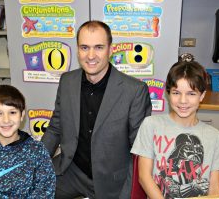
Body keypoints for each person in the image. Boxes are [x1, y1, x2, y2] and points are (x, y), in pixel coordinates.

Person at [41, 20, 152, 199]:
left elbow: (138, 151)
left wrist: (128, 194)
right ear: (77, 49)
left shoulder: (134, 91)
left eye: (98, 47)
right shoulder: (67, 81)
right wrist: (34, 164)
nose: (91, 55)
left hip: (112, 181)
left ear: (110, 49)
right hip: (71, 172)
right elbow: (55, 128)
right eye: (84, 47)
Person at [131, 53, 219, 199]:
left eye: (191, 94)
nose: (183, 101)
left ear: (202, 96)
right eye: (176, 93)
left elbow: (214, 187)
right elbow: (144, 177)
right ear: (168, 93)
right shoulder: (151, 125)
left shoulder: (216, 137)